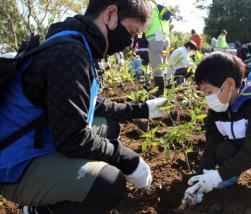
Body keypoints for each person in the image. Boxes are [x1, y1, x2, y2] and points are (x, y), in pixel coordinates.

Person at [0, 0, 168, 213]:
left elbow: (90, 105)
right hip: (14, 166)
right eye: (131, 31)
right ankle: (37, 209)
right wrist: (125, 158)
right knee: (108, 184)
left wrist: (140, 110)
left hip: (39, 138)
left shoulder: (78, 44)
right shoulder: (70, 53)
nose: (131, 41)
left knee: (108, 126)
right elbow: (72, 138)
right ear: (110, 14)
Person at [182, 52, 251, 206]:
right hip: (238, 144)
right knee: (221, 150)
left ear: (229, 84)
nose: (207, 98)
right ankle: (231, 176)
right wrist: (201, 178)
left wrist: (217, 176)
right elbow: (211, 146)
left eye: (209, 92)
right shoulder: (216, 111)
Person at [145, 0, 173, 96]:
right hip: (166, 37)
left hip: (155, 36)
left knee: (156, 64)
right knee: (163, 64)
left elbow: (145, 21)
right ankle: (163, 88)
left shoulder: (147, 5)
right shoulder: (160, 6)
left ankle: (159, 91)